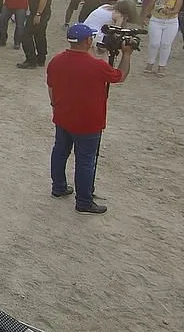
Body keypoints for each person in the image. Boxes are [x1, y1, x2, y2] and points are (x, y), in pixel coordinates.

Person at [47, 24, 132, 214]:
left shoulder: (56, 61)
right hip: (88, 122)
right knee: (85, 161)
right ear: (88, 40)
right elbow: (120, 76)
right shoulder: (97, 65)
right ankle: (84, 201)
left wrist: (56, 106)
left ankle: (58, 186)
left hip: (63, 116)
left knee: (60, 151)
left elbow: (51, 87)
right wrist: (126, 54)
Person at [140, 0, 183, 76]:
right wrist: (144, 17)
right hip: (156, 20)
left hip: (171, 22)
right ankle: (150, 63)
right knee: (154, 43)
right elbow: (149, 6)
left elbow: (177, 10)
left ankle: (162, 66)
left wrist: (168, 12)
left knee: (166, 44)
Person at [17, 0, 55, 69]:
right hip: (42, 12)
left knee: (26, 35)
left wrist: (38, 14)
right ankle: (41, 58)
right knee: (39, 35)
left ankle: (31, 60)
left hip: (39, 12)